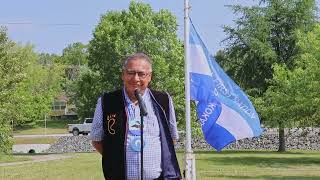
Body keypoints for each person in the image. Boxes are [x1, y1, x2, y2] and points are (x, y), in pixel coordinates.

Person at [90, 53, 181, 180]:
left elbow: (171, 138)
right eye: (131, 73)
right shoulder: (107, 101)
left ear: (150, 77)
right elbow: (97, 140)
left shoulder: (163, 100)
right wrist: (114, 157)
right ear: (123, 75)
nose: (135, 78)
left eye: (141, 74)